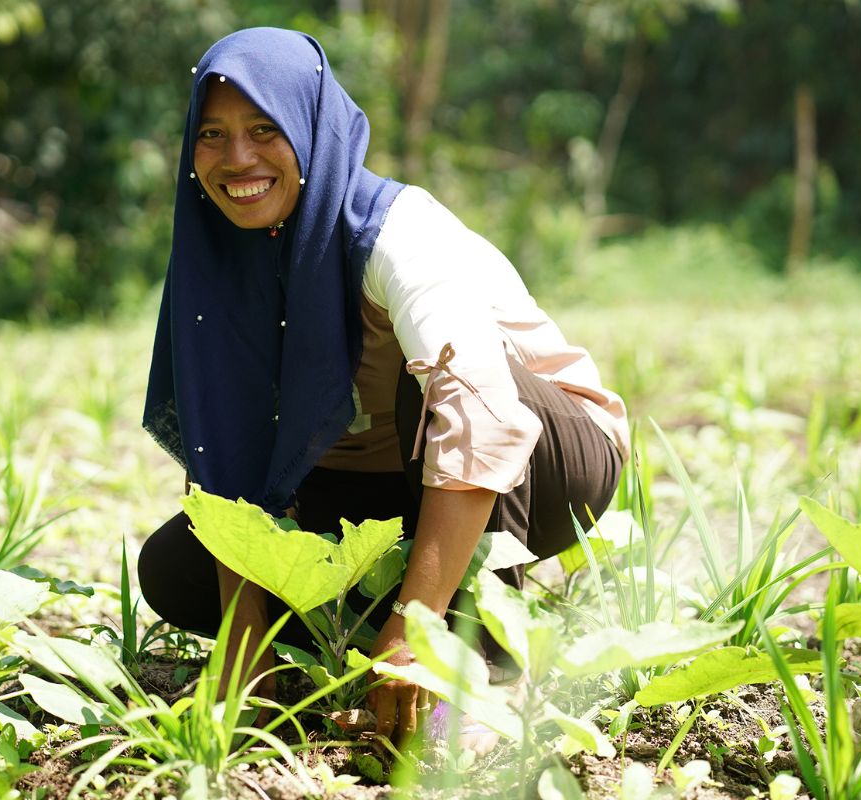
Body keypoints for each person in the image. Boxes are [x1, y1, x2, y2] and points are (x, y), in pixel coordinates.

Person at [138, 27, 628, 751]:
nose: (237, 159)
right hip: (370, 489)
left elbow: (483, 414)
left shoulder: (395, 232)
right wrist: (247, 659)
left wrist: (414, 633)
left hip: (549, 460)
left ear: (311, 126)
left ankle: (480, 665)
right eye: (211, 134)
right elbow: (225, 442)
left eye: (264, 129)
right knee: (175, 569)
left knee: (428, 388)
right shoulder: (214, 259)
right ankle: (379, 625)